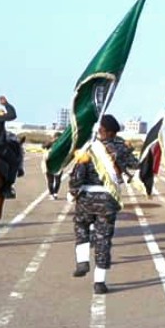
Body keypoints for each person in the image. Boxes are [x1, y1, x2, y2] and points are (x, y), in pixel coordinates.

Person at [69, 114, 137, 294]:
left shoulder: (90, 148)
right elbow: (135, 165)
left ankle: (82, 261)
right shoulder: (121, 148)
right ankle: (100, 282)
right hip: (108, 200)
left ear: (105, 131)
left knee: (81, 226)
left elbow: (77, 174)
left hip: (86, 199)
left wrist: (73, 191)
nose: (99, 131)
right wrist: (128, 150)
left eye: (101, 128)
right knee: (104, 239)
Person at [44, 131, 64, 199]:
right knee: (50, 181)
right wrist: (52, 142)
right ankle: (51, 194)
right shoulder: (50, 143)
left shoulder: (62, 145)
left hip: (59, 165)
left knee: (58, 181)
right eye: (56, 138)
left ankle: (55, 193)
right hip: (49, 165)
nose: (57, 139)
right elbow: (44, 146)